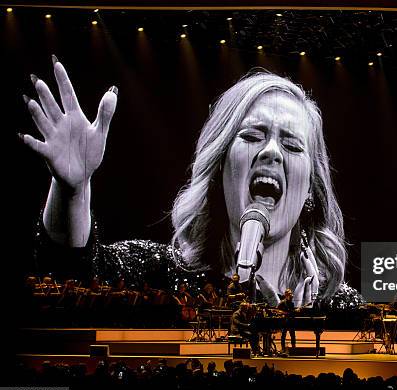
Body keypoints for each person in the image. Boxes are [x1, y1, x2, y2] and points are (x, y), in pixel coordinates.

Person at [22, 56, 363, 309]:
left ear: (309, 192)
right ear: (218, 167)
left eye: (291, 144)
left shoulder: (339, 308)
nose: (271, 151)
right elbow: (72, 276)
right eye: (252, 135)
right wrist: (73, 191)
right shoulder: (160, 275)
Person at [277, 288, 297, 353]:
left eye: (291, 293)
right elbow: (277, 311)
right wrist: (283, 313)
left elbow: (292, 312)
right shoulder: (282, 303)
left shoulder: (291, 303)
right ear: (286, 295)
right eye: (290, 294)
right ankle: (283, 349)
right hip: (284, 321)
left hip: (291, 321)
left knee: (293, 335)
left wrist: (295, 311)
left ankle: (294, 349)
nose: (291, 295)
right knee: (283, 335)